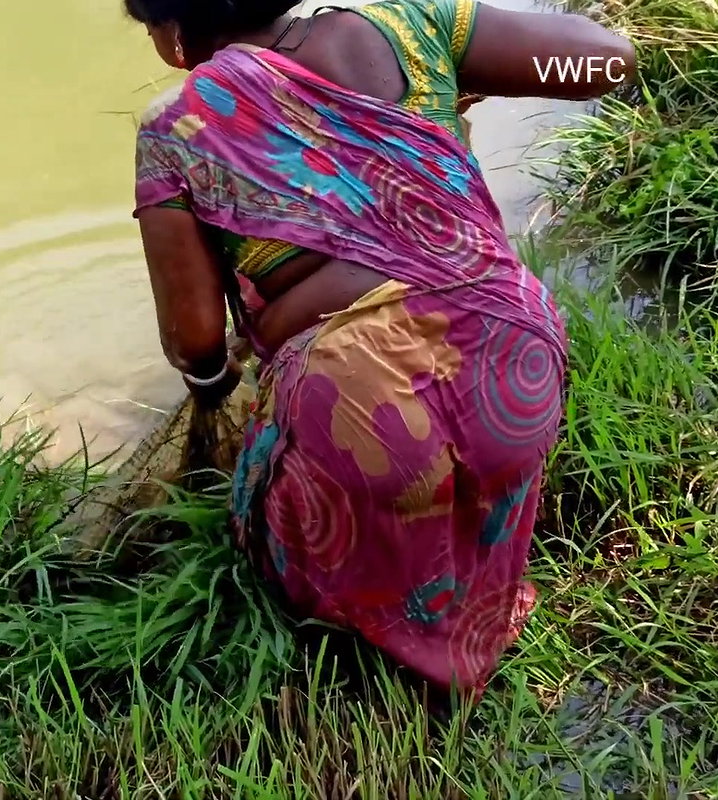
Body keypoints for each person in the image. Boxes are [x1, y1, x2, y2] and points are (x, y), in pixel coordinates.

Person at [125, 0, 634, 700]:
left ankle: (385, 639)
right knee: (458, 458)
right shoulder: (410, 25)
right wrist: (450, 82)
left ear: (175, 35)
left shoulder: (176, 126)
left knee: (274, 492)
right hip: (517, 373)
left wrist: (215, 382)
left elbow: (196, 343)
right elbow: (605, 62)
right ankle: (471, 582)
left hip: (366, 420)